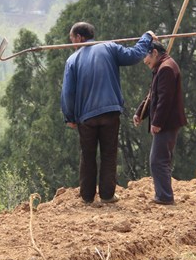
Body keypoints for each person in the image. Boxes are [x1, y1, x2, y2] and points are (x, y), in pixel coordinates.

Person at [61, 22, 155, 205]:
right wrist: (146, 37)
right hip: (110, 112)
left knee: (87, 155)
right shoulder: (110, 47)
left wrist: (69, 117)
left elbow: (67, 93)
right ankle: (107, 195)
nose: (72, 43)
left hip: (85, 117)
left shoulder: (72, 60)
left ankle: (87, 197)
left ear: (80, 37)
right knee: (109, 154)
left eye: (72, 39)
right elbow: (135, 54)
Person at [133, 40, 186, 205]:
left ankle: (164, 196)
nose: (144, 61)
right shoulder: (161, 68)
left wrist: (157, 122)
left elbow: (164, 100)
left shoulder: (166, 69)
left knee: (158, 160)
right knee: (161, 158)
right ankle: (163, 194)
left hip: (167, 123)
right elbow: (152, 95)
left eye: (146, 56)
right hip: (166, 122)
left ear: (154, 52)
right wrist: (140, 113)